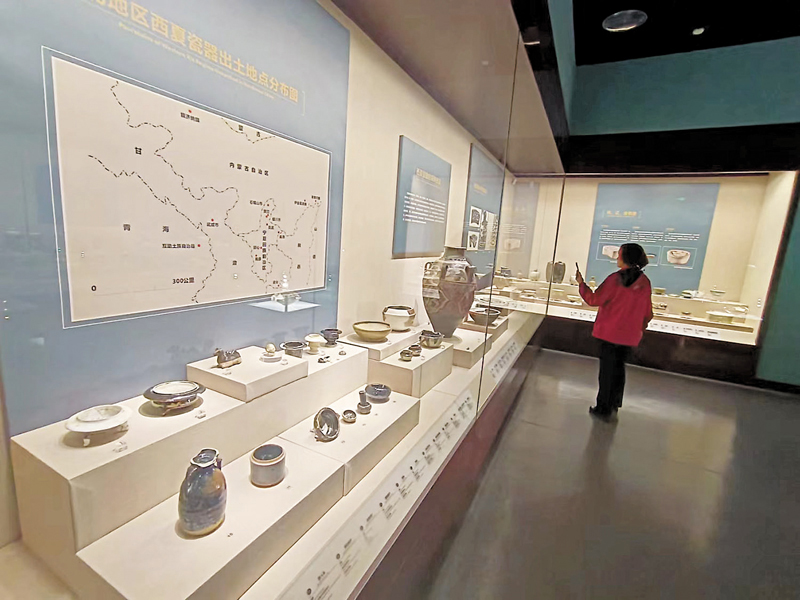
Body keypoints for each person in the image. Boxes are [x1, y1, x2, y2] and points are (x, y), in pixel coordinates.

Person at [576, 243, 653, 421]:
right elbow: (647, 312)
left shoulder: (614, 279)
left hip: (608, 333)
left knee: (606, 371)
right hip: (629, 336)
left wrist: (581, 284)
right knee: (619, 369)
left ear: (625, 258)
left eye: (619, 254)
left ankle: (603, 408)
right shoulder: (644, 282)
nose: (617, 258)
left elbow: (594, 299)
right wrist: (639, 328)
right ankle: (614, 404)